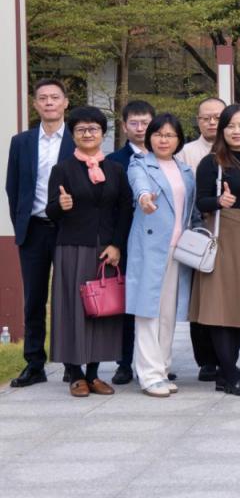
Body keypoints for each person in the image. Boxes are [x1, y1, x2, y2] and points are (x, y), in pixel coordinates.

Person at [46, 106, 132, 397]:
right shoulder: (62, 170)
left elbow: (125, 210)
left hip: (105, 250)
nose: (87, 134)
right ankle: (74, 373)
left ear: (102, 133)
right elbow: (50, 211)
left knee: (101, 311)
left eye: (93, 129)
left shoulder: (115, 170)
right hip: (72, 247)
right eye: (81, 129)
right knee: (72, 309)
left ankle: (94, 374)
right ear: (73, 135)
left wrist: (116, 244)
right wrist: (61, 206)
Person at [191, 105, 240, 396]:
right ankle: (230, 373)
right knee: (220, 308)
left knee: (238, 308)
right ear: (222, 131)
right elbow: (200, 202)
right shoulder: (212, 162)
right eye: (230, 126)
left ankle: (227, 371)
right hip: (222, 237)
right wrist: (218, 201)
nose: (237, 132)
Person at [5, 78, 74, 388]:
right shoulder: (21, 142)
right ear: (35, 104)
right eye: (43, 98)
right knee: (34, 299)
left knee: (68, 297)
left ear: (65, 103)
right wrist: (20, 222)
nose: (49, 102)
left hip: (68, 229)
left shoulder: (76, 139)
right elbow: (13, 186)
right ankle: (34, 363)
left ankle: (72, 363)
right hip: (33, 229)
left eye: (54, 97)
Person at [125, 114, 198, 397]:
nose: (163, 140)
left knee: (168, 312)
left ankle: (162, 368)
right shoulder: (140, 163)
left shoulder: (185, 170)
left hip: (179, 248)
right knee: (147, 311)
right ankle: (149, 374)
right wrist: (144, 199)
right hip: (150, 247)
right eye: (158, 134)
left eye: (169, 135)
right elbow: (140, 186)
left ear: (179, 139)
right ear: (149, 137)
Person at [107, 99, 155, 386]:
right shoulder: (114, 161)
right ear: (124, 126)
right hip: (126, 240)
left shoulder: (165, 156)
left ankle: (156, 362)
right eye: (134, 123)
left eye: (145, 123)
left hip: (158, 241)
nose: (140, 128)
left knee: (156, 304)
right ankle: (124, 363)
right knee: (127, 303)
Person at [179, 96, 225, 383]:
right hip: (197, 234)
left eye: (217, 117)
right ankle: (206, 360)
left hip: (229, 234)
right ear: (197, 121)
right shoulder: (186, 152)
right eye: (205, 118)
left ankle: (226, 356)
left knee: (224, 297)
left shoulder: (238, 150)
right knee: (200, 298)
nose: (211, 123)